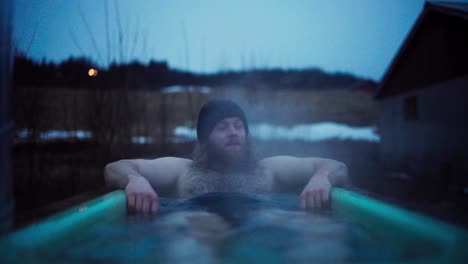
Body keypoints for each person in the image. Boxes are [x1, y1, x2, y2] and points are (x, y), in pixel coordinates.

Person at [104, 99, 349, 214]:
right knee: (190, 239)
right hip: (195, 230)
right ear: (204, 138)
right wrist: (135, 180)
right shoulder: (183, 171)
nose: (233, 133)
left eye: (238, 125)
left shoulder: (268, 169)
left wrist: (322, 177)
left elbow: (336, 166)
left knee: (317, 233)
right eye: (221, 127)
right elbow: (115, 168)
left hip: (261, 234)